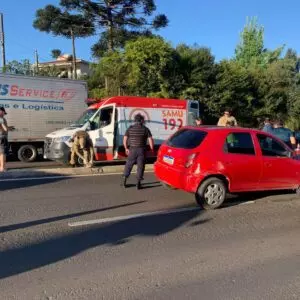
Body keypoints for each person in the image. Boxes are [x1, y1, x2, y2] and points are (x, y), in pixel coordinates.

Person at [122, 114, 154, 189]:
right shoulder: (145, 129)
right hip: (142, 150)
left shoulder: (130, 128)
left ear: (135, 120)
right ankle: (138, 183)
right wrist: (152, 149)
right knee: (140, 166)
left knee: (129, 164)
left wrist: (126, 148)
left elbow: (125, 139)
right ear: (142, 120)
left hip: (132, 149)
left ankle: (125, 180)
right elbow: (150, 140)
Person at [0, 107, 8, 172]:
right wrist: (7, 129)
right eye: (3, 112)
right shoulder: (1, 119)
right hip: (2, 137)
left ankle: (1, 167)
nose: (4, 114)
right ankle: (2, 168)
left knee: (1, 153)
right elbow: (4, 128)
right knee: (2, 153)